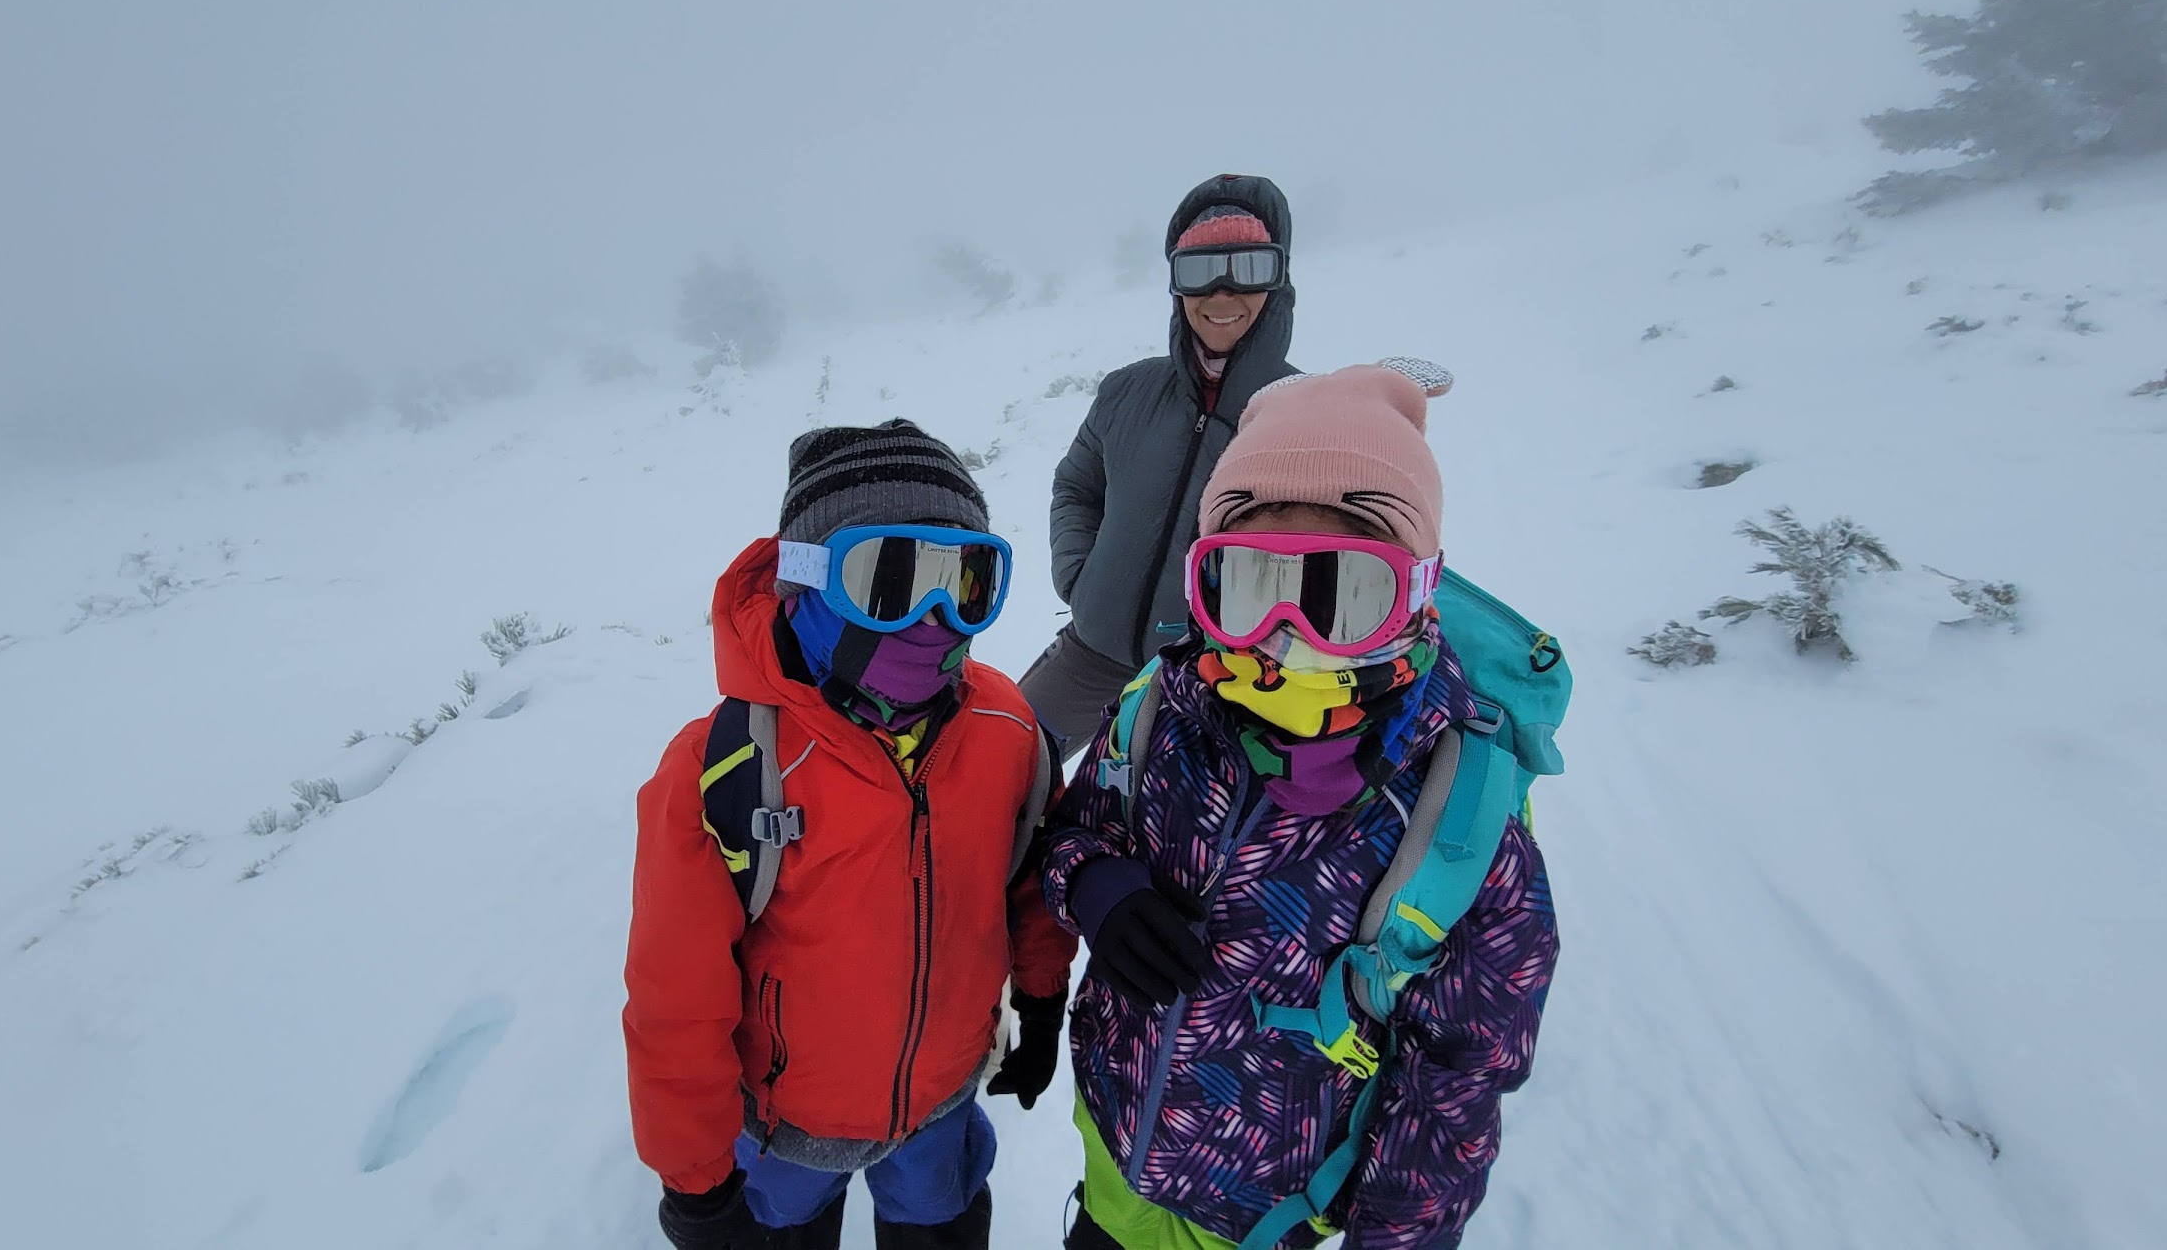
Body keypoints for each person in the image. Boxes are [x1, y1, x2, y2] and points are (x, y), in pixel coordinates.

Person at [1039, 367, 1560, 1249]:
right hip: (1115, 1149)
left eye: (1346, 595)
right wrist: (1098, 887)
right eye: (1248, 585)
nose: (1285, 639)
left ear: (1416, 594)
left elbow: (1459, 1077)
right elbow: (1077, 829)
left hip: (1262, 1216)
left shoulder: (1460, 812)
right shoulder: (1161, 709)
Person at [624, 420, 1079, 1250]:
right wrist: (696, 1183)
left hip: (941, 1102)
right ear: (804, 583)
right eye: (890, 577)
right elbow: (674, 1001)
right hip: (784, 1130)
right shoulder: (726, 765)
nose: (935, 618)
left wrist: (1043, 1001)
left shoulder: (1003, 726)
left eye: (965, 581)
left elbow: (1026, 886)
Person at [1022, 174, 1304, 757]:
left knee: (1157, 829)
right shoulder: (1127, 391)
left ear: (1277, 280)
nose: (1222, 295)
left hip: (1213, 678)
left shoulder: (1302, 415)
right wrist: (1080, 576)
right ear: (1176, 284)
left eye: (1248, 267)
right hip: (1089, 652)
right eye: (1199, 271)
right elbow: (1077, 485)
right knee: (1002, 769)